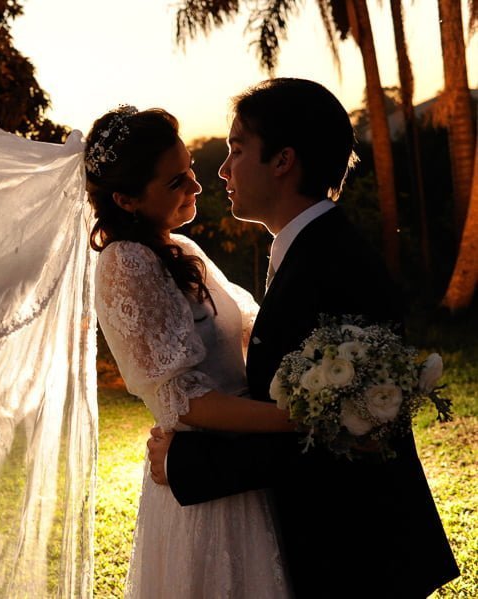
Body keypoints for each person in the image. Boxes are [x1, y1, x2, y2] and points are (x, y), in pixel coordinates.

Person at [147, 78, 460, 598]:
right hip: (345, 545)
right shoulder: (309, 249)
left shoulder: (334, 263)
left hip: (360, 553)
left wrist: (187, 463)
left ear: (283, 160)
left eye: (237, 150)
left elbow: (345, 434)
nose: (222, 170)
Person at [86, 105, 295, 598]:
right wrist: (301, 418)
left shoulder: (182, 249)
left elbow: (247, 333)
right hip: (205, 485)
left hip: (244, 464)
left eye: (191, 172)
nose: (196, 187)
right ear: (126, 198)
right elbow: (187, 402)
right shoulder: (126, 263)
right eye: (176, 182)